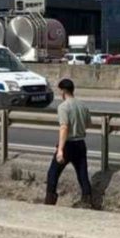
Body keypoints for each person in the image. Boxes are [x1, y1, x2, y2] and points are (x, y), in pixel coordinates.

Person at [45, 78, 94, 207]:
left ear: (62, 91)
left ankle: (50, 200)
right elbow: (89, 124)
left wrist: (60, 149)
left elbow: (64, 127)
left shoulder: (63, 107)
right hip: (81, 144)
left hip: (68, 144)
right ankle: (87, 200)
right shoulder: (83, 105)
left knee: (53, 173)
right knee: (82, 174)